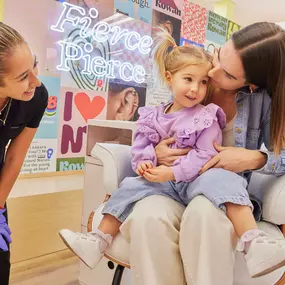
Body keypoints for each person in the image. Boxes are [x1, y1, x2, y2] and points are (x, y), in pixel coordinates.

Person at [59, 29, 285, 279]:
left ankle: (254, 242)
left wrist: (255, 158)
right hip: (171, 185)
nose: (212, 72)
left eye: (228, 73)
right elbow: (162, 127)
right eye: (219, 55)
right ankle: (97, 240)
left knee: (204, 218)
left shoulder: (260, 103)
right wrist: (153, 154)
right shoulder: (195, 74)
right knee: (148, 217)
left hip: (217, 190)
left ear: (251, 83)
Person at [0, 22, 48, 285]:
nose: (36, 81)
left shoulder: (37, 97)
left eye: (34, 66)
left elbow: (14, 157)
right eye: (23, 77)